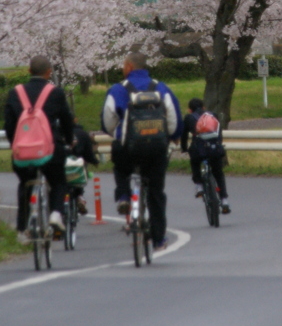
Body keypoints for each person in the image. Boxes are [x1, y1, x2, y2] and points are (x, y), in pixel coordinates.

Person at [102, 52, 181, 251]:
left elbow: (107, 120)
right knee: (155, 193)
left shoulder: (118, 89)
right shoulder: (161, 88)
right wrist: (171, 137)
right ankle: (158, 239)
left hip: (129, 148)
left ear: (128, 66)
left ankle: (124, 197)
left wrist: (117, 134)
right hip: (156, 149)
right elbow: (174, 120)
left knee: (121, 168)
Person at [5, 55, 75, 243]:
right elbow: (67, 122)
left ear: (29, 71)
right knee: (59, 181)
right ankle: (55, 215)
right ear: (48, 72)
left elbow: (9, 126)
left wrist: (16, 146)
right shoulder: (56, 93)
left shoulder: (15, 93)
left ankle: (21, 230)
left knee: (25, 184)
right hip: (51, 151)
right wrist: (70, 140)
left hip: (23, 153)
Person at [181, 98, 230, 213]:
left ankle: (199, 185)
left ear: (189, 110)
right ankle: (224, 200)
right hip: (214, 150)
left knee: (194, 162)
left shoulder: (189, 118)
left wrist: (184, 148)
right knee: (218, 174)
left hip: (199, 151)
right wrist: (218, 145)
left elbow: (184, 136)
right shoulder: (213, 115)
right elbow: (219, 132)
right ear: (204, 107)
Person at [69, 123, 100, 214]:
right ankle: (79, 197)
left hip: (63, 163)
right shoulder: (83, 134)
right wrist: (95, 162)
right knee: (79, 178)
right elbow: (88, 154)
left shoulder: (60, 132)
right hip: (77, 165)